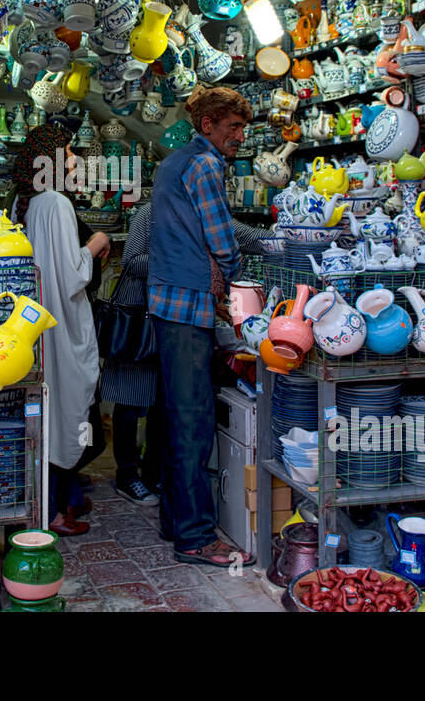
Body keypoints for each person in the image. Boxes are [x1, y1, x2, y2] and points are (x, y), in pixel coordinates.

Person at [101, 201, 275, 507]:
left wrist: (289, 240)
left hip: (176, 318)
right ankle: (127, 476)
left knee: (163, 401)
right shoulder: (151, 212)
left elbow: (246, 237)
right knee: (131, 397)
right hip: (139, 317)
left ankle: (153, 470)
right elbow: (132, 263)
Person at [147, 85, 255, 567]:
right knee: (193, 422)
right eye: (232, 128)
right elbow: (221, 236)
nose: (239, 137)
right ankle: (195, 536)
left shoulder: (171, 163)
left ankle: (176, 518)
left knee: (175, 417)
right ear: (208, 124)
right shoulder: (206, 165)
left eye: (242, 129)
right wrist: (230, 274)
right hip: (189, 305)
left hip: (167, 302)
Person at [10, 124, 111, 536]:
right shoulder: (56, 202)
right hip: (61, 322)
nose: (73, 160)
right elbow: (72, 275)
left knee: (53, 413)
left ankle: (61, 499)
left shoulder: (31, 201)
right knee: (67, 410)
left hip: (40, 322)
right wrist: (97, 243)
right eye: (67, 152)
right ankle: (54, 512)